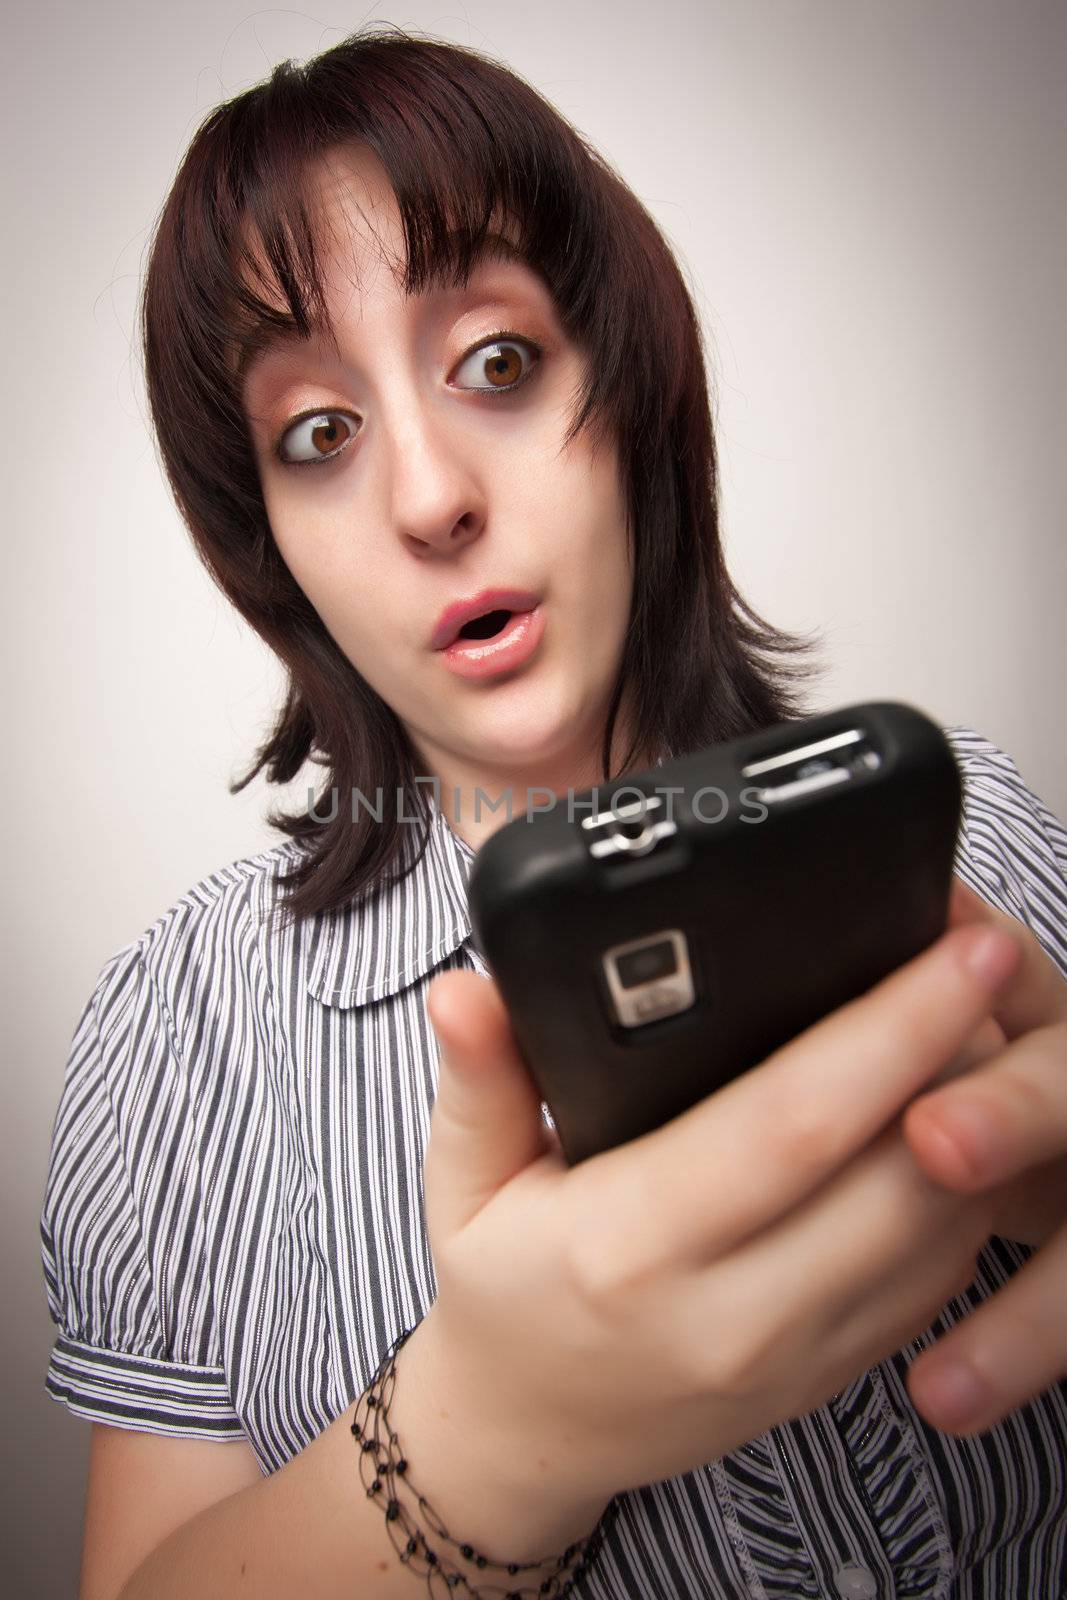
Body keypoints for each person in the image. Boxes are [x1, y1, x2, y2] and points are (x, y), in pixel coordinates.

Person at [40, 25, 1067, 1600]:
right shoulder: (172, 1043)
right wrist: (484, 1436)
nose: (431, 496)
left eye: (498, 363)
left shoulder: (975, 832)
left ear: (630, 388)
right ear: (275, 551)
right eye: (319, 434)